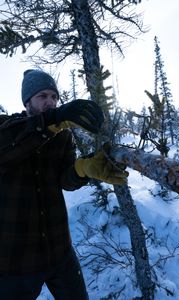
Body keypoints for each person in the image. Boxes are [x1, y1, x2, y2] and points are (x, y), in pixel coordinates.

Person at [0, 69, 128, 300]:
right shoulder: (7, 127)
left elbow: (64, 181)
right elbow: (9, 147)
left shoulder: (62, 136)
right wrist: (52, 121)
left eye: (54, 97)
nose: (50, 102)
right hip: (15, 261)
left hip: (60, 252)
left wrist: (83, 169)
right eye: (43, 96)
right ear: (27, 101)